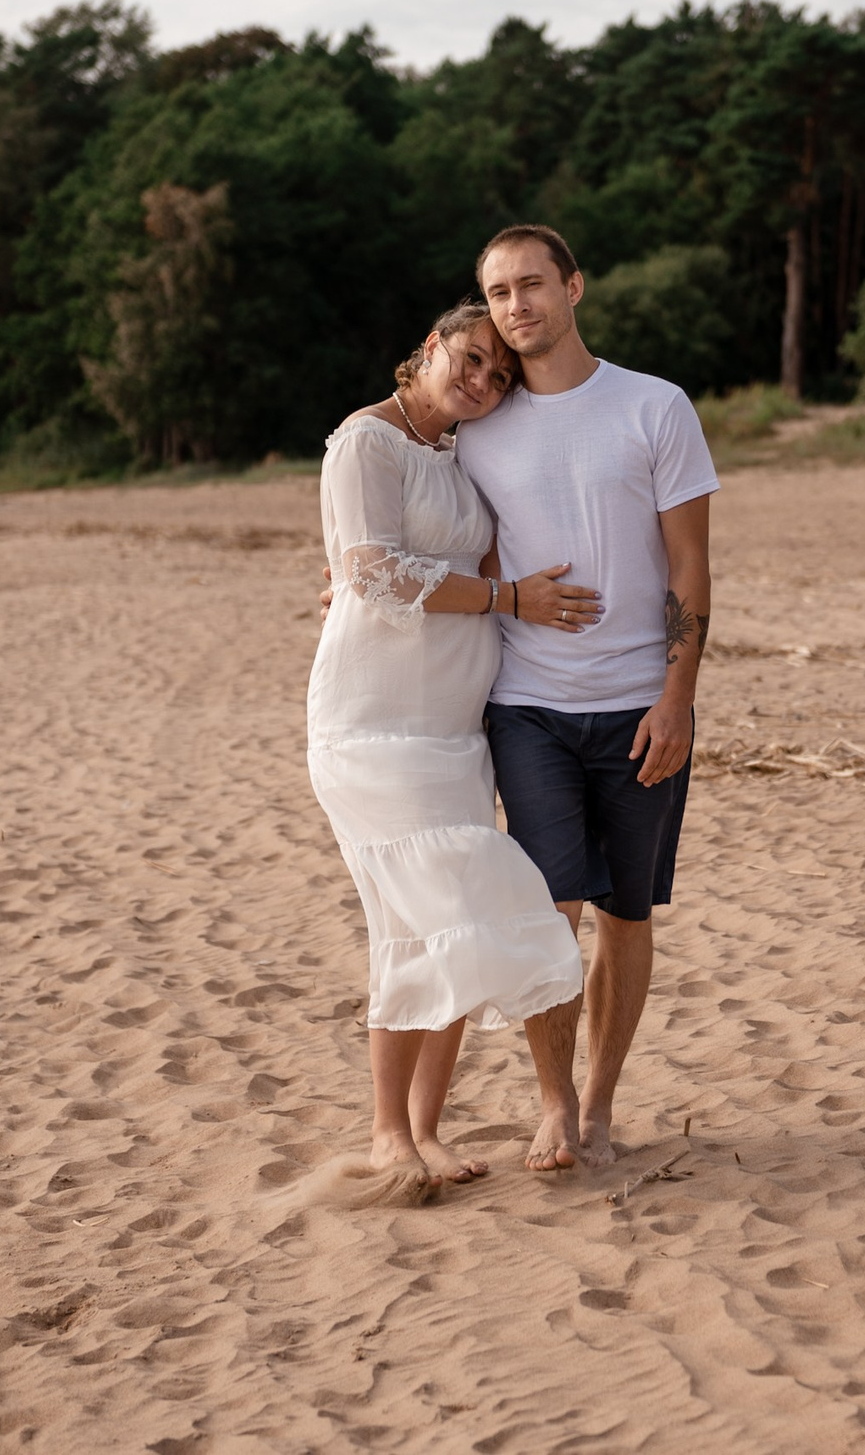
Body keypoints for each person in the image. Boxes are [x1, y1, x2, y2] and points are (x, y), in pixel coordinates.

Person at [305, 301, 602, 1192]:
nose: (481, 381)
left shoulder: (456, 453)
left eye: (497, 376)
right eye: (471, 359)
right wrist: (510, 599)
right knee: (460, 904)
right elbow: (373, 572)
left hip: (452, 729)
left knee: (427, 933)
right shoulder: (366, 439)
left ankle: (413, 1132)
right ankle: (389, 1131)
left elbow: (431, 558)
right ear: (430, 347)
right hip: (374, 725)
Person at [458, 224, 717, 1171]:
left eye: (531, 285)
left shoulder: (655, 407)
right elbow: (414, 497)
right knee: (546, 910)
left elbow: (689, 562)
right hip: (527, 703)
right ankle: (554, 1103)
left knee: (629, 914)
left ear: (574, 286)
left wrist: (677, 694)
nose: (515, 306)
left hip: (639, 703)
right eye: (495, 293)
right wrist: (348, 567)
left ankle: (602, 1100)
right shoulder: (480, 422)